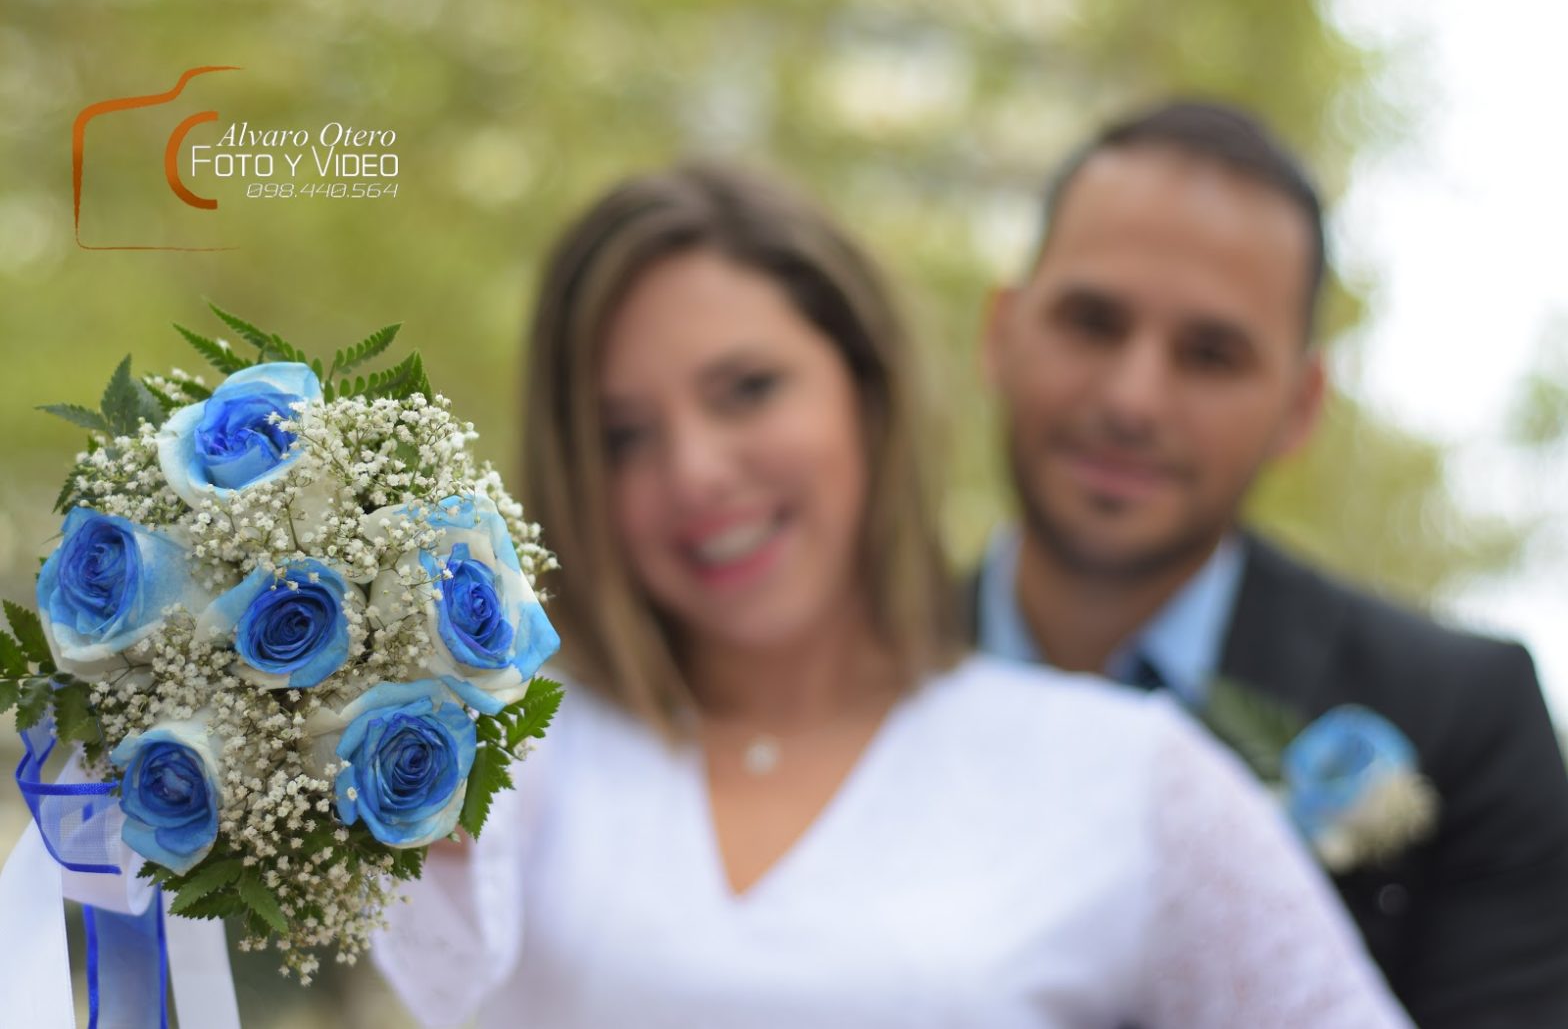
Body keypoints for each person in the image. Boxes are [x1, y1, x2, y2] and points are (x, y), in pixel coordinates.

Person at [374, 163, 1410, 1028]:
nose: (694, 471)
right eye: (623, 435)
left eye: (747, 390)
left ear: (866, 393)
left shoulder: (1126, 776)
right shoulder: (495, 747)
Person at [974, 100, 1568, 1028]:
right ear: (1002, 333)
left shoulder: (1465, 723)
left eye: (1211, 356)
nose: (1133, 398)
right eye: (1092, 323)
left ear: (1300, 405)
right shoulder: (825, 682)